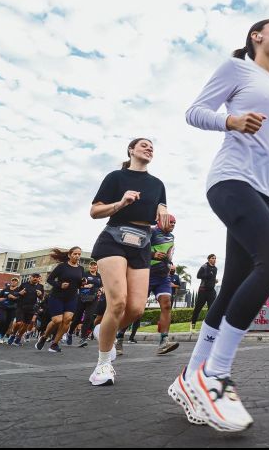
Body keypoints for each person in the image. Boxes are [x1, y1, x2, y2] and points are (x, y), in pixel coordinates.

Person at [170, 18, 269, 432]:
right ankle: (214, 375)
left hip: (265, 194)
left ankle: (190, 377)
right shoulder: (237, 68)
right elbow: (194, 112)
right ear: (256, 37)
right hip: (231, 180)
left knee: (234, 283)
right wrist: (231, 121)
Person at [88, 138, 170, 386]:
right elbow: (94, 211)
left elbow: (162, 211)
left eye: (152, 146)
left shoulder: (157, 184)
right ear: (131, 150)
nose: (149, 148)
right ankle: (103, 364)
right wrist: (121, 203)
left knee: (136, 309)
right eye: (143, 145)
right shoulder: (116, 177)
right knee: (118, 302)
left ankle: (104, 330)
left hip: (142, 243)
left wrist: (164, 218)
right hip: (114, 238)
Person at [35, 247, 84, 353]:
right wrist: (60, 285)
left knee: (67, 320)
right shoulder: (62, 266)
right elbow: (49, 279)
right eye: (75, 254)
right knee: (57, 320)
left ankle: (54, 344)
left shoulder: (81, 269)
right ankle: (44, 337)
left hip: (72, 297)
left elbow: (79, 284)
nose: (77, 256)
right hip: (57, 296)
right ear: (69, 255)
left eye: (79, 254)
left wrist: (83, 283)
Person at [144, 215, 181, 355]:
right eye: (170, 222)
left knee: (166, 305)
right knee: (136, 310)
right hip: (146, 275)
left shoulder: (171, 236)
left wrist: (169, 263)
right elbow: (138, 248)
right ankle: (119, 337)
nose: (173, 224)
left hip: (163, 278)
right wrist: (153, 254)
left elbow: (168, 253)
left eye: (174, 223)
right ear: (161, 221)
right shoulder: (151, 231)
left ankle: (164, 342)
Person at [71, 261, 102, 348]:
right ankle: (69, 332)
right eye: (91, 265)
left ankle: (83, 338)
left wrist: (101, 289)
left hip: (93, 299)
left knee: (88, 317)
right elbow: (78, 285)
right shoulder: (84, 274)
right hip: (82, 298)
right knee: (77, 318)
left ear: (97, 267)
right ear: (89, 267)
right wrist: (85, 286)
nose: (93, 266)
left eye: (94, 265)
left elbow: (102, 286)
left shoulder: (99, 276)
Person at [10, 273, 44, 346]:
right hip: (21, 306)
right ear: (30, 277)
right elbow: (15, 293)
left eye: (37, 277)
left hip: (31, 308)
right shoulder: (24, 284)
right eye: (34, 277)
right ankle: (13, 335)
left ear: (39, 279)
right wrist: (20, 293)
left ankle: (18, 339)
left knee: (26, 325)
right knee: (19, 323)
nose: (35, 278)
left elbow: (42, 298)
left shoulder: (40, 286)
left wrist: (40, 295)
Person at [190, 254, 218, 331]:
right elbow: (198, 276)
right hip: (203, 290)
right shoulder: (204, 266)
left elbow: (212, 277)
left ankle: (208, 326)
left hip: (211, 291)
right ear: (209, 259)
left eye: (215, 258)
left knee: (211, 309)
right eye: (212, 258)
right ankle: (192, 325)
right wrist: (208, 275)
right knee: (198, 308)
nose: (214, 259)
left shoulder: (215, 268)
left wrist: (214, 280)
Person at [0, 277, 21, 344]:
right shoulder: (5, 289)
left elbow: (20, 299)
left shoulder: (19, 290)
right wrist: (0, 299)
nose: (14, 282)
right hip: (3, 307)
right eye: (13, 280)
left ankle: (2, 336)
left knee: (7, 323)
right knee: (2, 320)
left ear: (17, 282)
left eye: (15, 281)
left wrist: (14, 297)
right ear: (11, 281)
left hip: (12, 309)